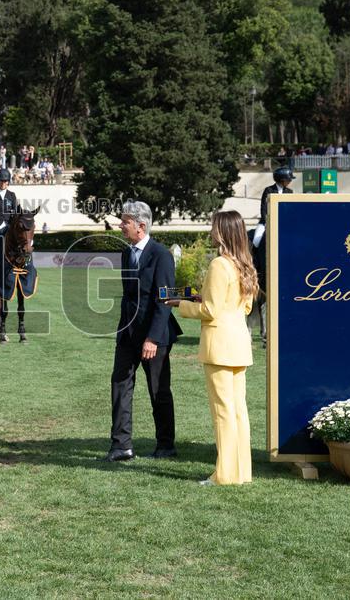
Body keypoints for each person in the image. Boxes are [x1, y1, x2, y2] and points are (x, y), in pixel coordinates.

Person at [165, 210, 256, 486]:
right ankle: (241, 473)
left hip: (220, 344)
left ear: (224, 231)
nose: (210, 232)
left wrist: (180, 304)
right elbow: (245, 306)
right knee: (238, 411)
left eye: (214, 227)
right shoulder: (245, 265)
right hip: (239, 342)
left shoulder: (219, 264)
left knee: (222, 412)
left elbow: (210, 309)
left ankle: (224, 475)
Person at [103, 201, 182, 462]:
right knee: (120, 385)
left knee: (158, 390)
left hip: (154, 336)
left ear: (141, 226)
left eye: (124, 222)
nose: (120, 226)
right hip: (127, 334)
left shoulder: (161, 255)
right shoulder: (127, 253)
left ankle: (166, 445)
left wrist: (153, 338)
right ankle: (121, 446)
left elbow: (165, 301)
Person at [252, 166, 294, 250]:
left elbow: (290, 209)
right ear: (282, 180)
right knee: (256, 241)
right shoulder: (269, 190)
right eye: (288, 179)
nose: (290, 181)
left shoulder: (289, 192)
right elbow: (263, 207)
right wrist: (266, 221)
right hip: (267, 220)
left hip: (284, 221)